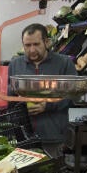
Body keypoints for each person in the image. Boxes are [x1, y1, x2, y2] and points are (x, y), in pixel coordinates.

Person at [8, 23, 78, 157]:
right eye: (27, 45)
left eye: (36, 44)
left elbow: (73, 95)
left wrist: (48, 105)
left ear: (46, 42)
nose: (32, 50)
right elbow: (10, 96)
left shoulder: (63, 63)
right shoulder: (15, 64)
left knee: (51, 172)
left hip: (53, 133)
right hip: (24, 136)